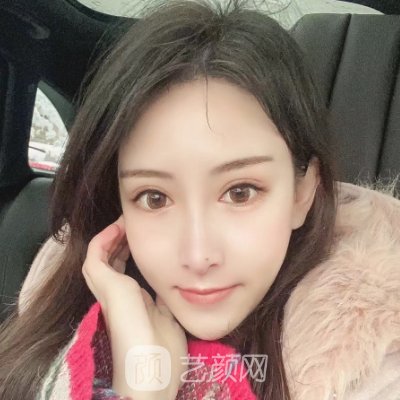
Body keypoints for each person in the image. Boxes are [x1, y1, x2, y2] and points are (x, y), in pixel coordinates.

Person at [0, 0, 399, 399]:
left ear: (302, 192)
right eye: (154, 198)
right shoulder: (57, 314)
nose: (197, 256)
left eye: (240, 193)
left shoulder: (378, 368)